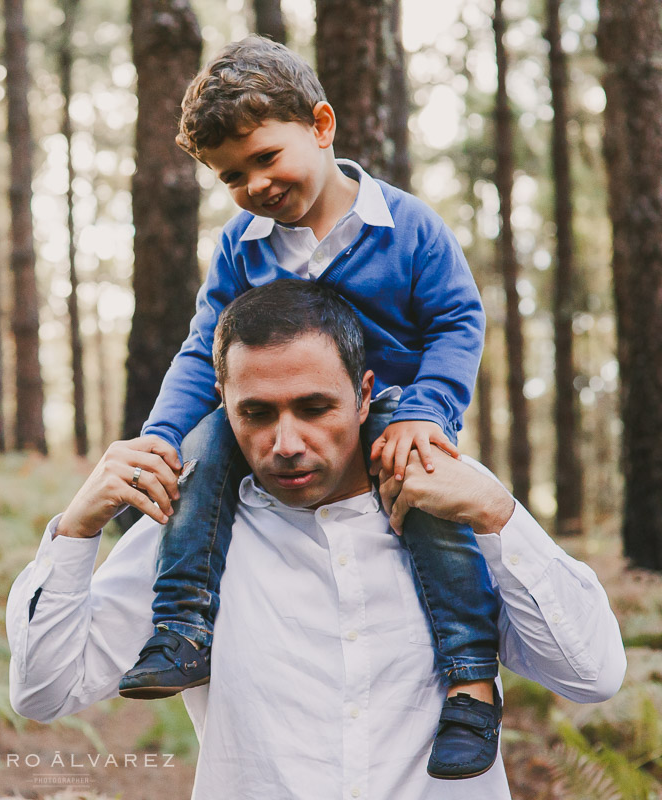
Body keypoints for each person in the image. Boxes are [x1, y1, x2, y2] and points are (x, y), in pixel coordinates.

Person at [7, 282, 625, 799]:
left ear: (363, 395)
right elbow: (44, 692)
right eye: (257, 413)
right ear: (222, 404)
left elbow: (592, 674)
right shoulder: (188, 530)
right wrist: (76, 530)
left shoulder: (457, 502)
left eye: (314, 407)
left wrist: (498, 514)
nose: (286, 443)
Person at [121, 36, 497, 778]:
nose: (255, 184)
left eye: (265, 158)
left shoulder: (407, 227)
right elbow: (206, 349)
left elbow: (458, 321)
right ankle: (182, 627)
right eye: (233, 176)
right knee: (200, 455)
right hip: (279, 413)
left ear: (321, 126)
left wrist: (429, 411)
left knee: (426, 495)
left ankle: (471, 682)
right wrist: (163, 435)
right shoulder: (243, 246)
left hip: (390, 404)